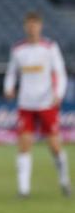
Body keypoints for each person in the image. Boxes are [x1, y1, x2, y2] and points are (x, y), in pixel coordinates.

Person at [4, 11, 70, 197]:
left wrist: (59, 94)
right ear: (25, 27)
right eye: (29, 24)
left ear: (40, 26)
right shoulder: (18, 49)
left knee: (54, 146)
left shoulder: (50, 47)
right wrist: (8, 87)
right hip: (26, 103)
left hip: (47, 103)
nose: (32, 28)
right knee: (24, 145)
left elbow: (60, 72)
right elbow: (11, 72)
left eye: (35, 24)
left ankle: (64, 180)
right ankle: (23, 189)